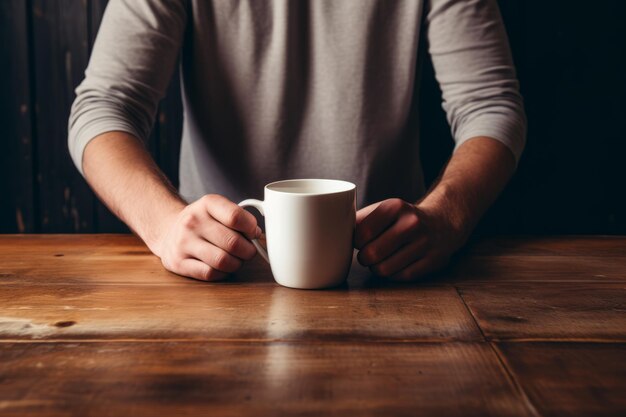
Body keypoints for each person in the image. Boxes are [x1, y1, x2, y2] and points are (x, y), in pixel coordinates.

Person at [69, 0, 526, 282]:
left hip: (392, 269)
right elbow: (104, 106)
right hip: (216, 271)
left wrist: (446, 217)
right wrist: (165, 224)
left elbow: (490, 106)